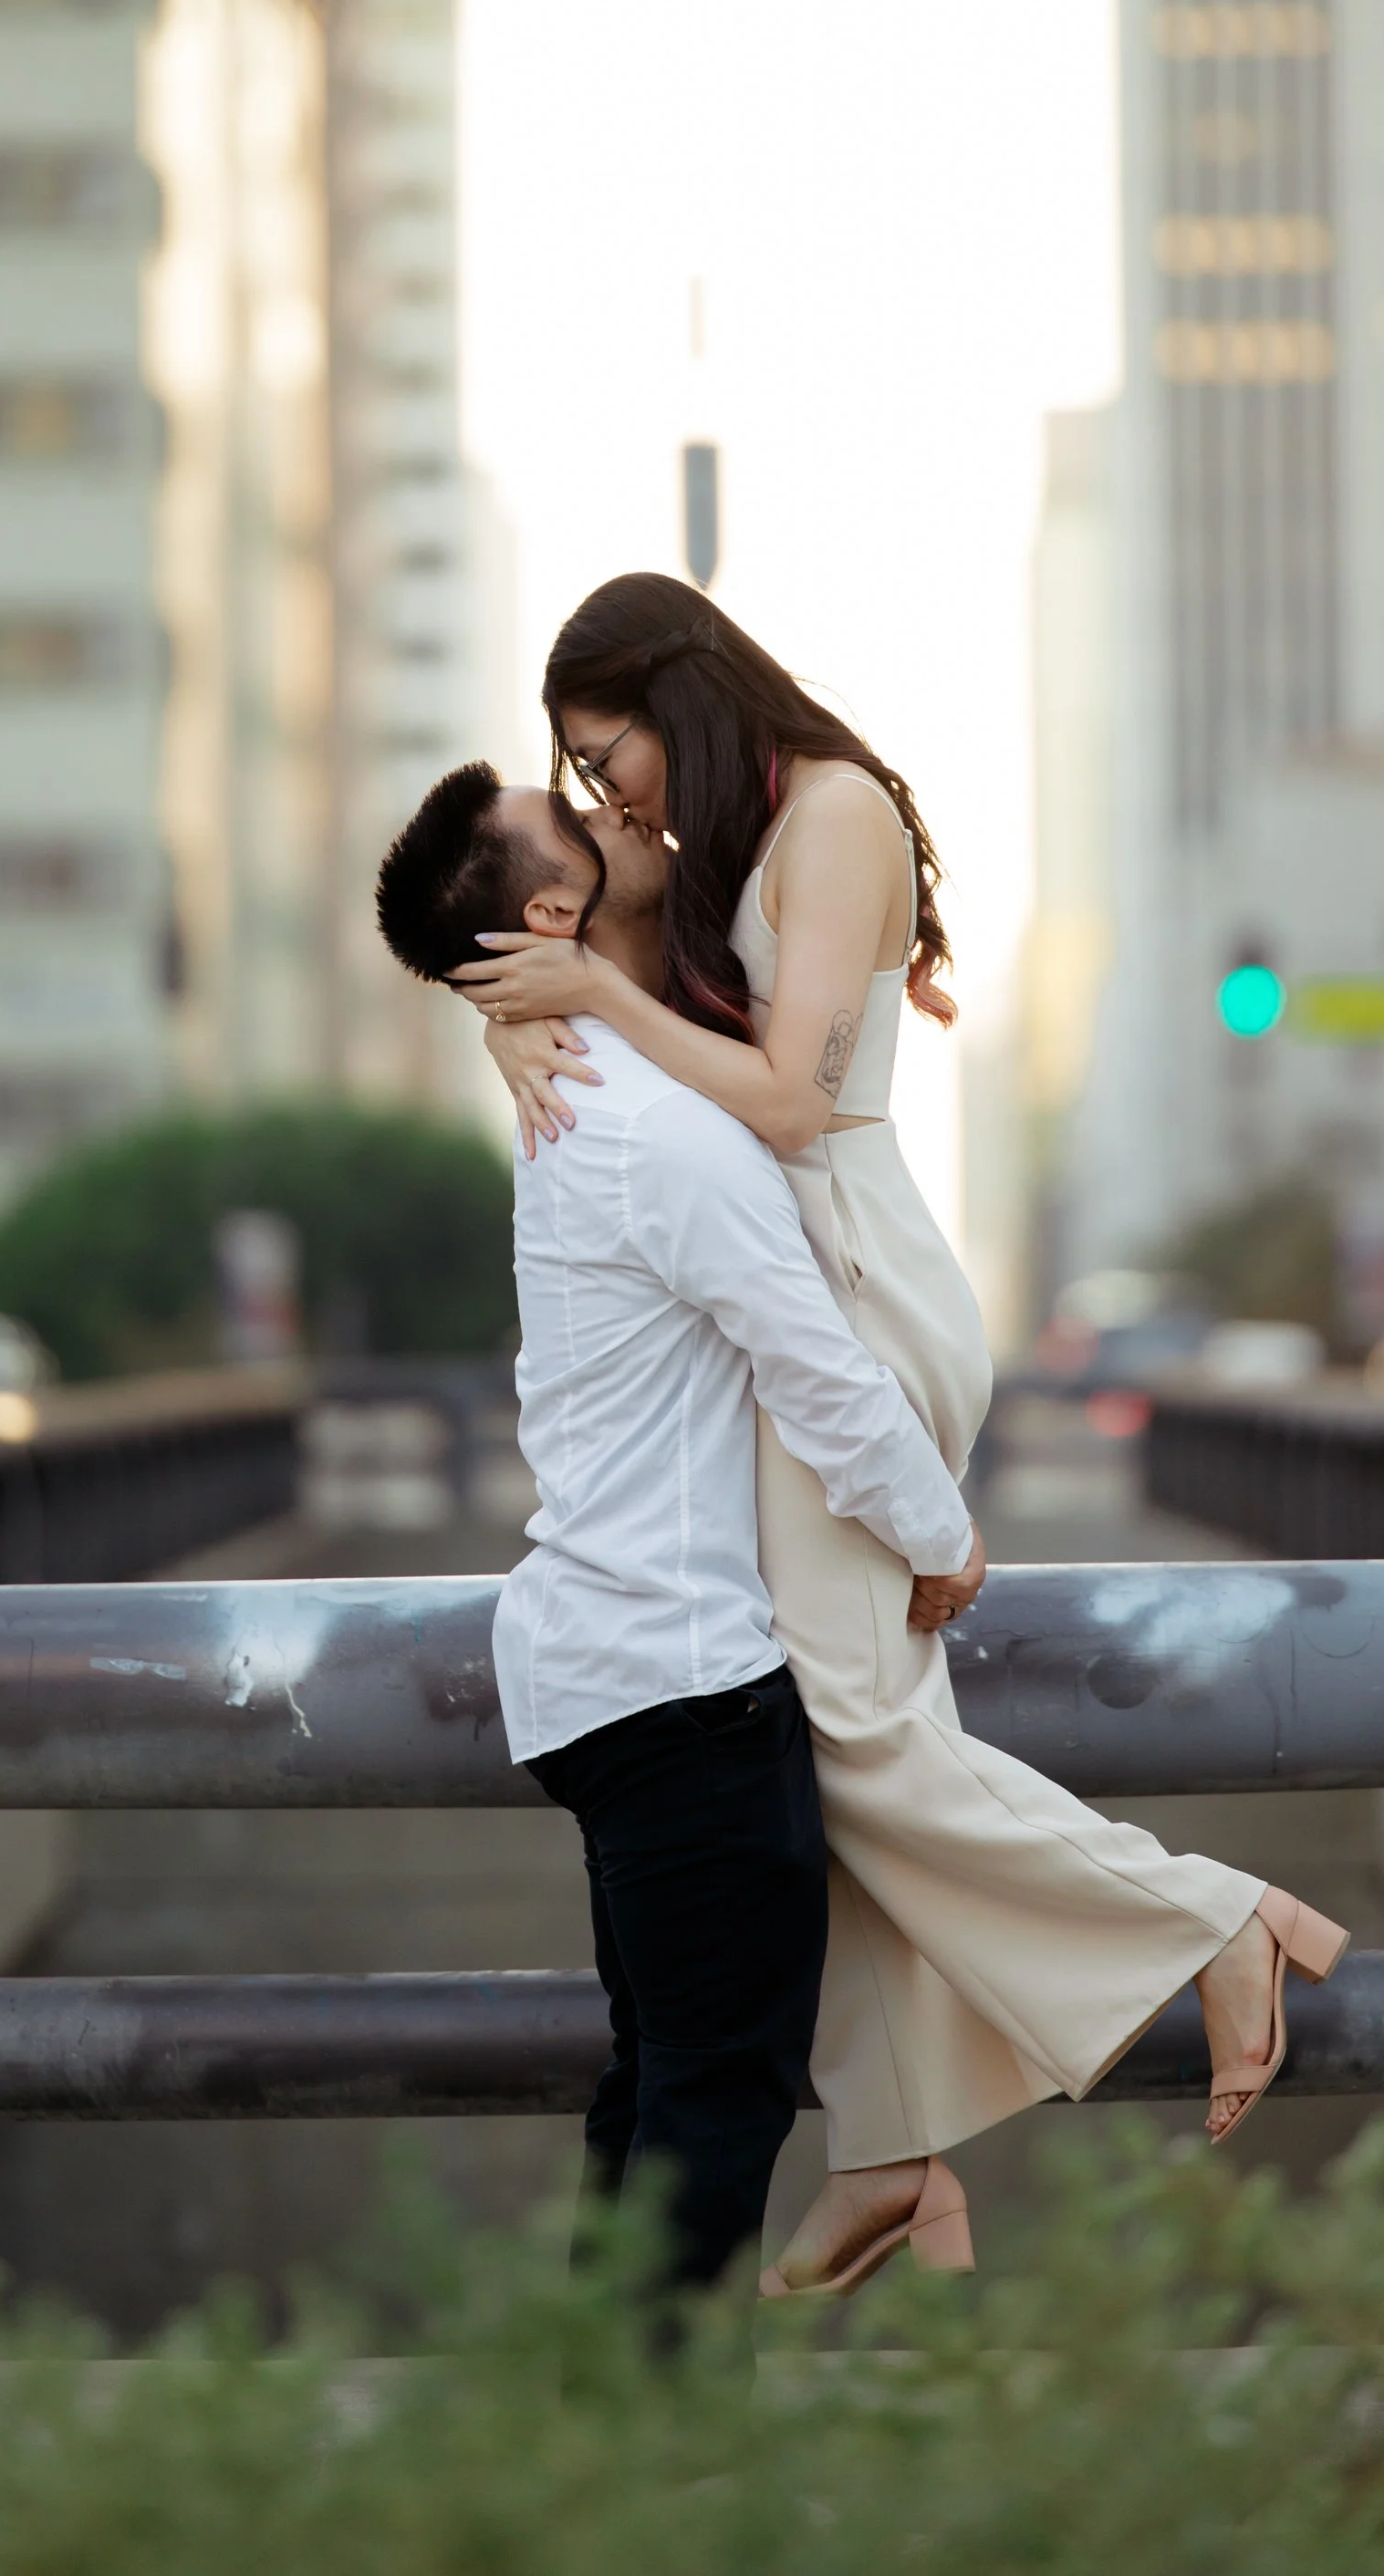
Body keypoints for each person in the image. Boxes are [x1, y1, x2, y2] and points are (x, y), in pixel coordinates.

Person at [452, 574, 1348, 2291]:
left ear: (678, 690)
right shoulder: (716, 844)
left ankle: (1214, 1920)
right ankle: (891, 2148)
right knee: (816, 1735)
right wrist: (521, 1020)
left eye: (605, 752)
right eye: (572, 776)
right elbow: (542, 931)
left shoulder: (836, 808)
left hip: (852, 1286)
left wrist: (595, 1000)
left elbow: (787, 1095)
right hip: (801, 1272)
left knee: (853, 1737)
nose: (599, 797)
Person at [375, 765, 984, 2293]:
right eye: (570, 815)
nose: (606, 812)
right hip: (680, 1676)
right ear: (551, 912)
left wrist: (512, 1005)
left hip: (600, 1665)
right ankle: (662, 2454)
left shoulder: (580, 1094)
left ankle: (613, 2438)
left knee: (658, 2078)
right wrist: (942, 1535)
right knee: (715, 2092)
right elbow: (822, 1373)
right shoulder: (658, 1131)